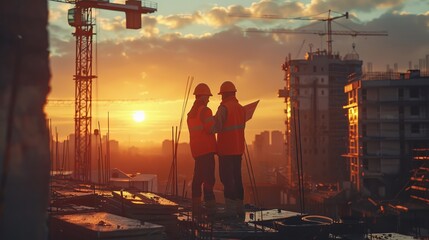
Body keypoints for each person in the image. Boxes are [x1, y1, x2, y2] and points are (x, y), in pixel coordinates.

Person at [214, 81, 246, 220]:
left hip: (226, 150)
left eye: (222, 95)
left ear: (225, 94)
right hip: (238, 150)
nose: (221, 97)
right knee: (237, 178)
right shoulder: (240, 108)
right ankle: (239, 208)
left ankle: (230, 210)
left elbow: (216, 126)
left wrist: (207, 123)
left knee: (227, 179)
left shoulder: (223, 108)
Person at [187, 83, 217, 221]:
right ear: (203, 97)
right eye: (208, 97)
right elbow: (210, 128)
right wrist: (217, 121)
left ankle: (196, 210)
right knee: (209, 180)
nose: (209, 99)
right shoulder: (205, 111)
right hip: (207, 150)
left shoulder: (191, 114)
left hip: (197, 152)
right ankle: (211, 211)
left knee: (197, 180)